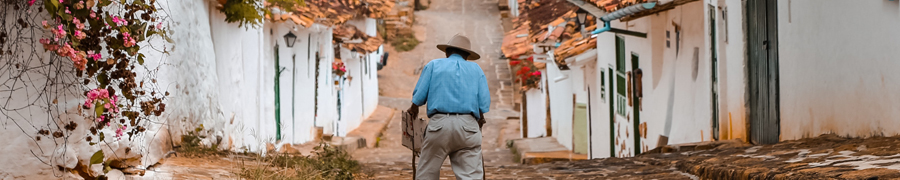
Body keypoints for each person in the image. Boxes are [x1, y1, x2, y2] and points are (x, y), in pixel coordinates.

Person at [407, 35, 490, 180]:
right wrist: (480, 119)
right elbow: (483, 104)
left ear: (447, 53)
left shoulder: (433, 65)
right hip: (468, 126)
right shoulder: (476, 69)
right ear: (467, 56)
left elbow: (419, 97)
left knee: (427, 172)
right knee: (471, 176)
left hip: (439, 125)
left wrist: (413, 108)